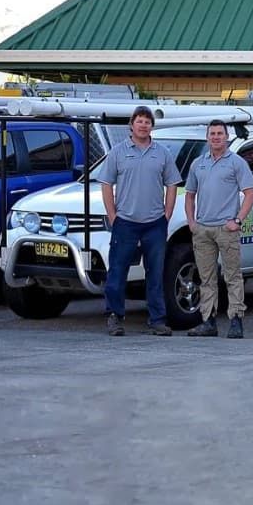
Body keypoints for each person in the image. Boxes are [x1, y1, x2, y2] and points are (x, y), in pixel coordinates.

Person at [98, 105, 182, 336]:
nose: (143, 125)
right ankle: (115, 316)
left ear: (151, 126)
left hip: (155, 223)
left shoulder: (162, 153)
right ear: (131, 125)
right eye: (140, 121)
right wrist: (113, 216)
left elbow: (172, 184)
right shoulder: (117, 152)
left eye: (147, 121)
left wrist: (167, 214)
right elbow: (106, 184)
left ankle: (157, 320)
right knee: (117, 271)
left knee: (155, 273)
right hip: (125, 222)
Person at [184, 120, 253, 339]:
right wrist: (191, 222)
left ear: (227, 137)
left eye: (219, 133)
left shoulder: (237, 162)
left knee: (232, 276)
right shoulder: (198, 163)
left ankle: (236, 321)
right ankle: (208, 321)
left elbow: (250, 193)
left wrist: (238, 220)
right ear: (207, 137)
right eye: (212, 134)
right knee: (206, 278)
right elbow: (189, 195)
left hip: (227, 229)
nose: (215, 137)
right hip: (203, 229)